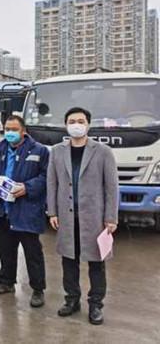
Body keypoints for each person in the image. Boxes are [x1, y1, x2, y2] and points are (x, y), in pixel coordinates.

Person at [47, 107, 119, 325]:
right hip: (66, 216)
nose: (76, 125)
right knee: (69, 260)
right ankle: (72, 299)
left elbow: (111, 187)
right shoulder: (57, 151)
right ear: (66, 125)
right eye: (72, 121)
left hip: (94, 217)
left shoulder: (103, 151)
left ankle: (96, 304)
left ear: (88, 124)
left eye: (80, 121)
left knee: (96, 262)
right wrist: (52, 211)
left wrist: (111, 217)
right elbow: (52, 183)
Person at [0, 114, 49, 308]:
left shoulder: (39, 151)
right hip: (3, 210)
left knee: (32, 253)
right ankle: (6, 282)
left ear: (23, 131)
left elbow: (47, 176)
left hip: (26, 211)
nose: (10, 133)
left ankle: (38, 289)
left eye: (14, 130)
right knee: (6, 249)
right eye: (7, 130)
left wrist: (27, 187)